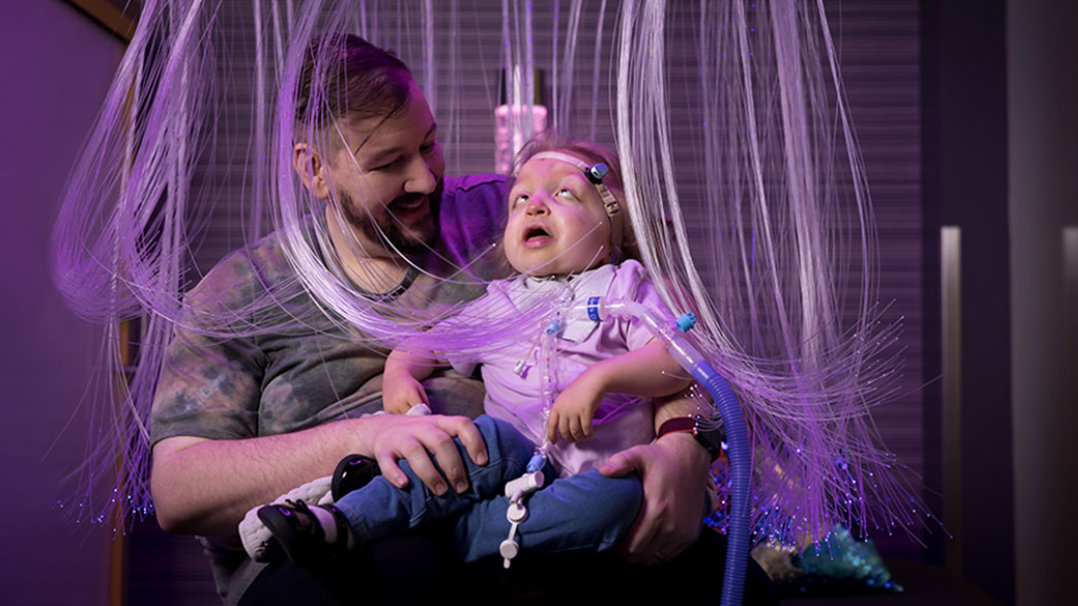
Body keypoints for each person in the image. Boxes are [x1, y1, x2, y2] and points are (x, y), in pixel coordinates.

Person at [149, 34, 767, 605]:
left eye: (429, 143)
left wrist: (682, 445)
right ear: (314, 170)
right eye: (390, 162)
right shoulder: (240, 291)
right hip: (346, 551)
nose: (425, 176)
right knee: (407, 573)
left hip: (545, 506)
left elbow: (668, 326)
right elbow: (177, 490)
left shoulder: (511, 220)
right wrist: (365, 437)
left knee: (730, 582)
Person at [253, 137, 698, 567]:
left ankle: (456, 536)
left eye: (565, 193)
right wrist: (400, 370)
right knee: (478, 439)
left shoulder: (629, 288)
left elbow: (680, 360)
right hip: (507, 464)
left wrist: (603, 378)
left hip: (591, 474)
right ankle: (341, 521)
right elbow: (427, 342)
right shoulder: (499, 304)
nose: (536, 206)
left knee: (621, 498)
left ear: (617, 224)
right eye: (520, 200)